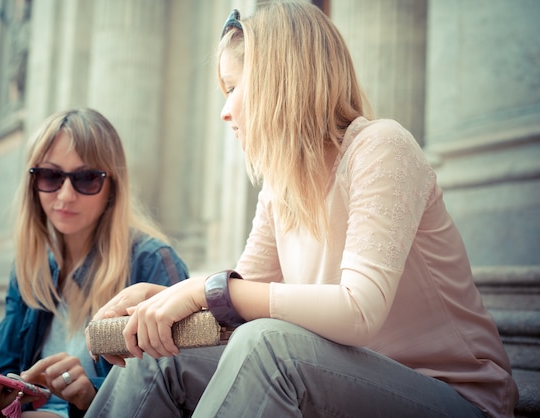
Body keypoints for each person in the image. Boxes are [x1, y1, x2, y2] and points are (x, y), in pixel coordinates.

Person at [83, 2, 518, 417]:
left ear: (282, 79)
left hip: (454, 398)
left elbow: (358, 311)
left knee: (268, 344)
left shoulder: (381, 147)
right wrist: (161, 303)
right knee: (161, 357)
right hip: (343, 381)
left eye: (234, 88)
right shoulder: (279, 188)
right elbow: (236, 307)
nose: (224, 112)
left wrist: (202, 289)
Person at [0, 108, 189, 418]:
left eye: (86, 178)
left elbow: (172, 390)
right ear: (33, 183)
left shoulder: (153, 262)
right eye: (50, 176)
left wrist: (90, 394)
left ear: (112, 187)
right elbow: (7, 371)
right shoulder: (29, 268)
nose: (65, 195)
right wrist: (2, 396)